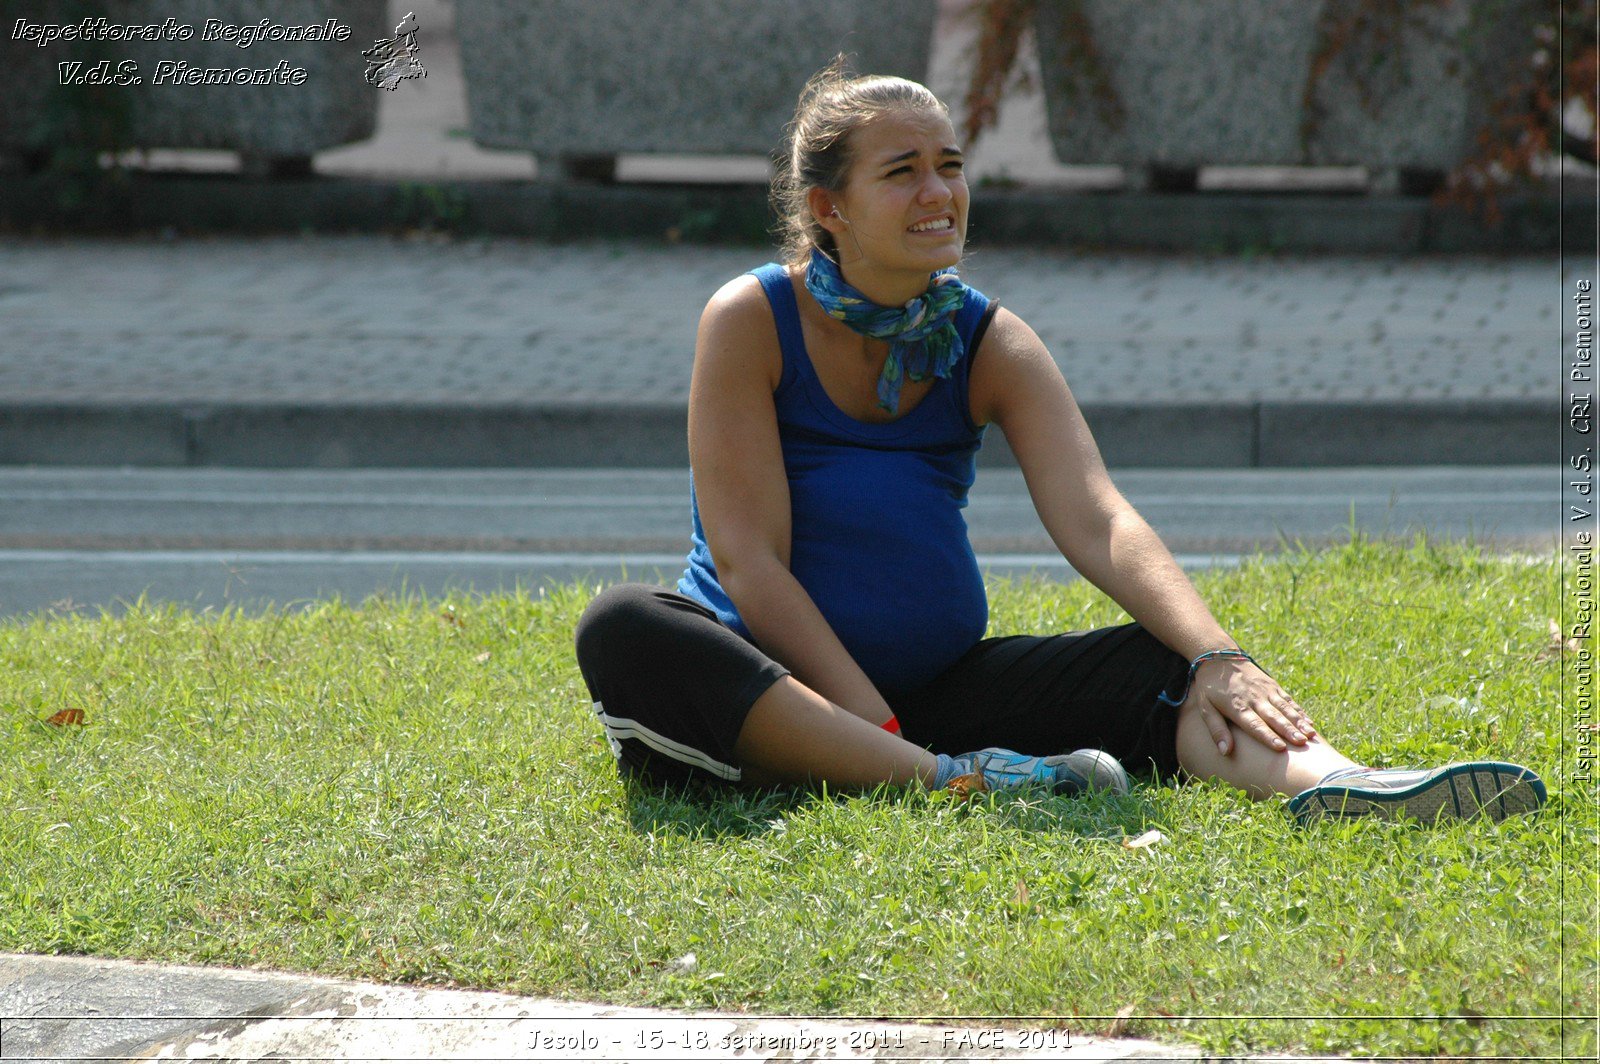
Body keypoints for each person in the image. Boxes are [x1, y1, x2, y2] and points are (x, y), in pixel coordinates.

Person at [574, 59, 1545, 825]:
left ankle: (1336, 785)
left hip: (937, 700)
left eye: (950, 165)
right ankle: (949, 784)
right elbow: (749, 564)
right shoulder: (750, 318)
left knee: (1157, 663)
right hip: (774, 699)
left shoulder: (987, 337)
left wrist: (1217, 651)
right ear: (828, 208)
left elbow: (1098, 517)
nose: (938, 192)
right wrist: (871, 723)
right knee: (623, 624)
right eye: (901, 170)